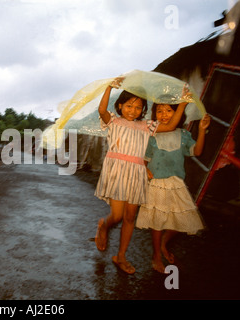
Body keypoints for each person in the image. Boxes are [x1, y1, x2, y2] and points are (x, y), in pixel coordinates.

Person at [94, 77, 191, 274]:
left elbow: (171, 125)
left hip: (136, 172)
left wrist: (182, 103)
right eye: (129, 106)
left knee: (130, 217)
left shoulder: (146, 126)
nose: (133, 110)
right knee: (118, 216)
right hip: (117, 171)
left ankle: (121, 256)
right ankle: (105, 224)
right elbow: (102, 110)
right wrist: (108, 88)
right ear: (120, 105)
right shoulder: (113, 121)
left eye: (138, 107)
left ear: (143, 110)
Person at [136, 101, 211, 273]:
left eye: (169, 110)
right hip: (157, 184)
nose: (163, 114)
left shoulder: (183, 134)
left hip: (177, 184)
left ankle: (163, 243)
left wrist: (201, 130)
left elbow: (197, 151)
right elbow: (144, 158)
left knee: (183, 219)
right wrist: (145, 169)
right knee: (157, 222)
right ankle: (156, 255)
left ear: (178, 113)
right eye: (159, 111)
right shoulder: (152, 134)